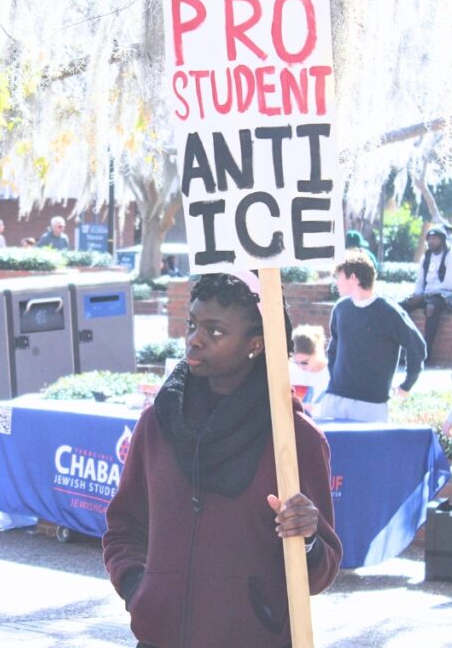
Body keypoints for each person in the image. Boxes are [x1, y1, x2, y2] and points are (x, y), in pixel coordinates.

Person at [102, 272, 341, 648]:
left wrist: (308, 538)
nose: (194, 339)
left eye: (215, 332)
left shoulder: (295, 440)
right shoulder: (157, 422)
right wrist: (139, 590)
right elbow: (123, 526)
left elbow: (321, 573)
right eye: (192, 324)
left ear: (257, 344)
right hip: (158, 637)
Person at [313, 250, 426, 422]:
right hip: (335, 398)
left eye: (339, 276)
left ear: (353, 278)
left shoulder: (389, 312)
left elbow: (417, 346)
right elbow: (334, 348)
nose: (336, 282)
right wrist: (335, 379)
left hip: (372, 404)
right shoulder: (341, 308)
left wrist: (407, 384)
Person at [399, 226, 452, 355]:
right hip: (426, 294)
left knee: (431, 308)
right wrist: (416, 296)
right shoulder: (426, 257)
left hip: (444, 295)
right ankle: (403, 349)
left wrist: (423, 297)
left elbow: (448, 285)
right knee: (401, 306)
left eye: (435, 239)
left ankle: (426, 351)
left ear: (443, 239)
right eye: (429, 239)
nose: (431, 242)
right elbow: (420, 281)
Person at [289, 324, 330, 414]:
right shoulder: (290, 371)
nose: (300, 366)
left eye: (304, 362)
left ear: (317, 352)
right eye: (296, 362)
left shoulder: (332, 374)